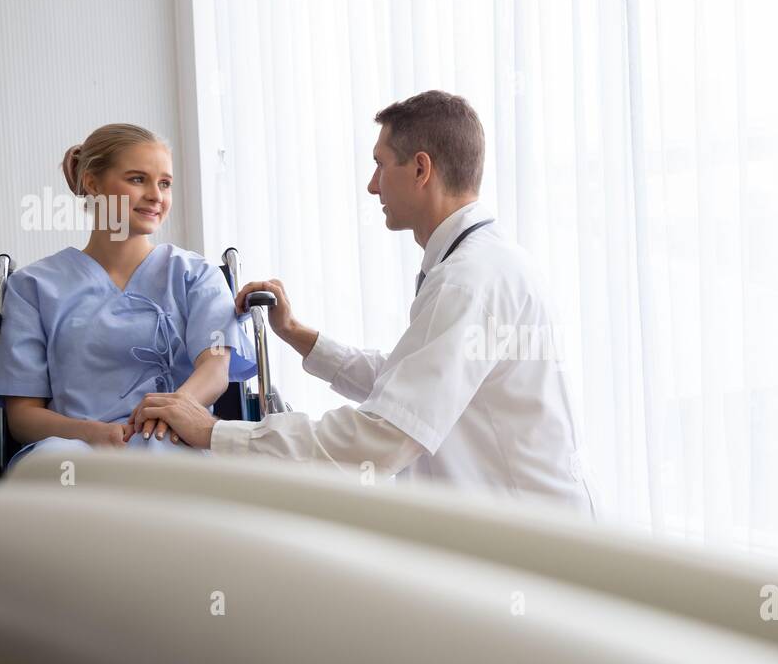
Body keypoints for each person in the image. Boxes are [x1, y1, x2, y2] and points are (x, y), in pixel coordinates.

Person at [136, 91, 596, 516]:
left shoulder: (467, 281)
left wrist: (218, 433)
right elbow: (409, 381)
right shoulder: (483, 263)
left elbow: (383, 436)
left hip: (523, 542)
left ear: (421, 169)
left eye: (380, 165)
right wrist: (297, 334)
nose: (372, 186)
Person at [0, 123, 256, 465]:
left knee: (166, 462)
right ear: (92, 183)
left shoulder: (196, 276)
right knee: (55, 468)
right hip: (73, 451)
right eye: (138, 179)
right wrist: (91, 434)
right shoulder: (34, 287)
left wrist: (171, 410)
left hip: (174, 439)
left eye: (165, 183)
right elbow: (23, 418)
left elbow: (214, 368)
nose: (156, 195)